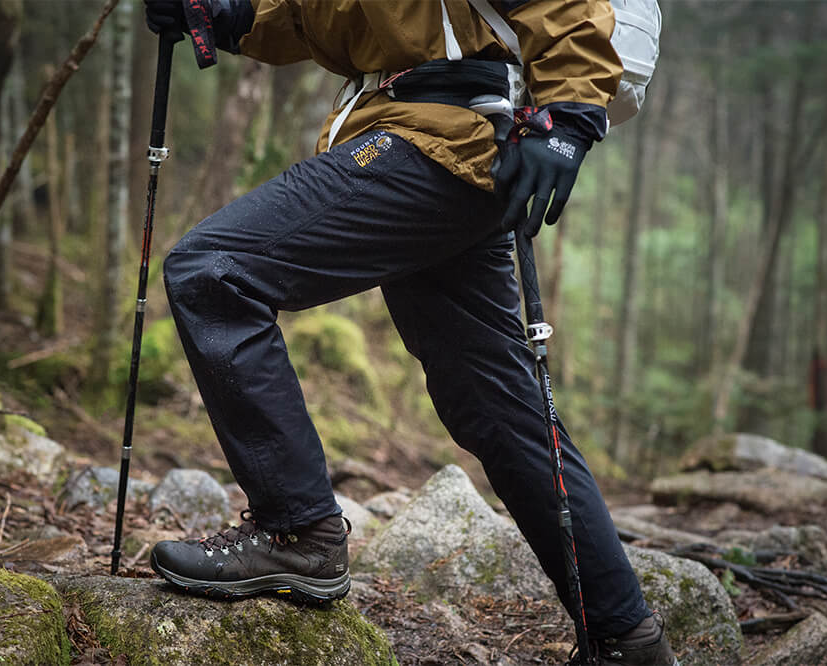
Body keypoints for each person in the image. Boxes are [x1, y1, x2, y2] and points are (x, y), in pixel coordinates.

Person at [144, 1, 677, 663]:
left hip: (441, 136)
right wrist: (229, 14)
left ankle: (297, 534)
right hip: (453, 147)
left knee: (214, 270)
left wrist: (568, 118)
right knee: (496, 406)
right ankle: (627, 639)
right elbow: (332, 15)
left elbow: (560, 7)